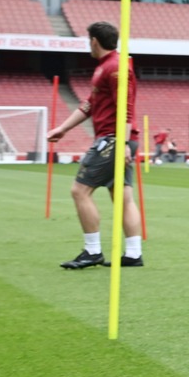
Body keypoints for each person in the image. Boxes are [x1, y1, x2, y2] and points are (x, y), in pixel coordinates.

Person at [46, 22, 145, 270]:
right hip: (119, 138)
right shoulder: (107, 67)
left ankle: (92, 251)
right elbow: (89, 104)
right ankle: (133, 254)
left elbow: (126, 108)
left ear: (93, 41)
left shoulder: (115, 67)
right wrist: (63, 128)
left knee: (80, 191)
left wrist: (121, 144)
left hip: (112, 139)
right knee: (122, 197)